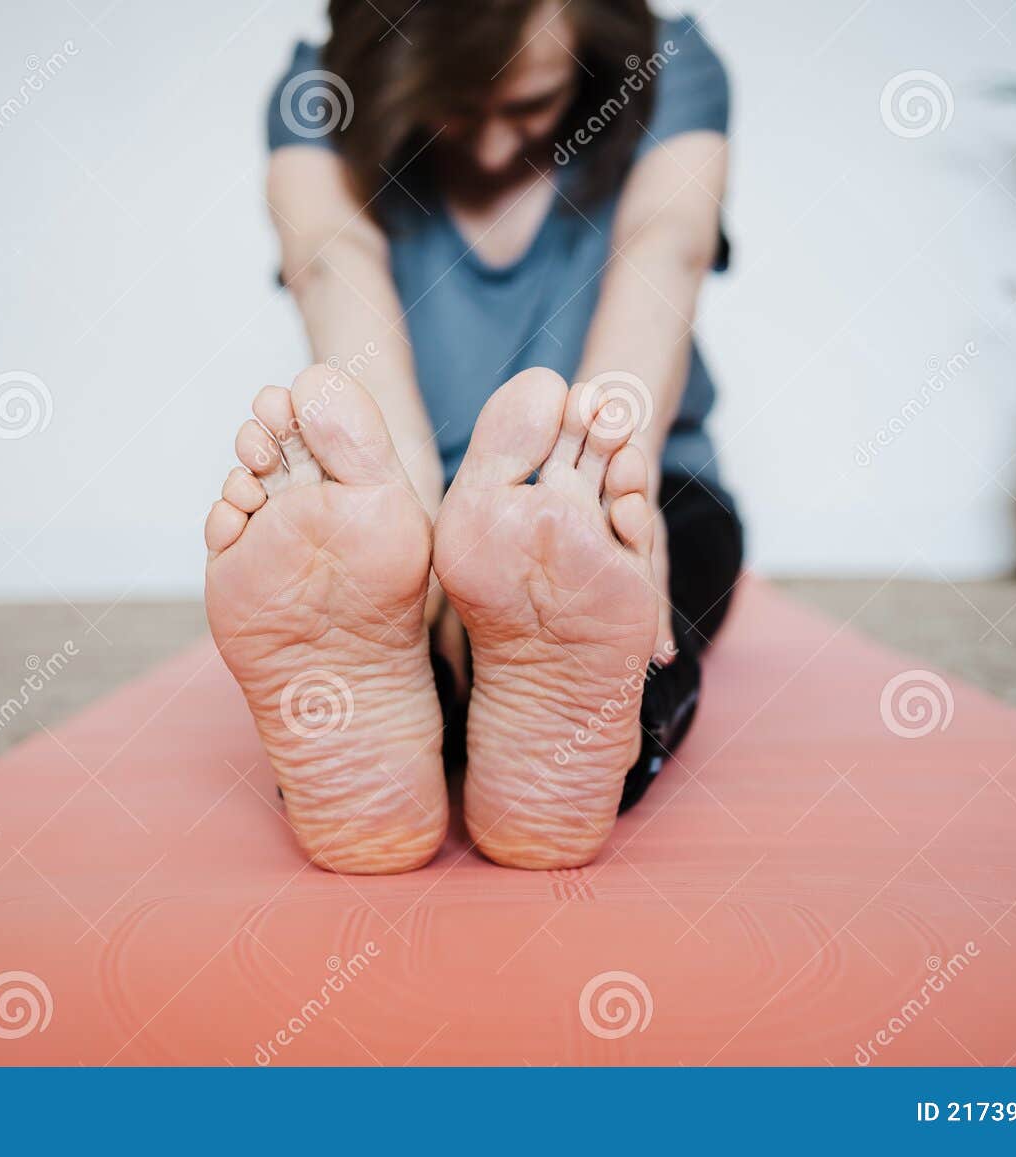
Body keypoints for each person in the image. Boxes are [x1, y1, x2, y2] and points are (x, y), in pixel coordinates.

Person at [203, 0, 743, 874]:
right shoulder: (319, 94)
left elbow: (664, 250)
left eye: (529, 108)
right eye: (456, 107)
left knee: (628, 615)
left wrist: (609, 496)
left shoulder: (670, 67)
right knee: (408, 618)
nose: (492, 150)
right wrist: (413, 543)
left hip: (648, 481)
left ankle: (459, 707)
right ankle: (417, 684)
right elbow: (336, 274)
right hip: (412, 508)